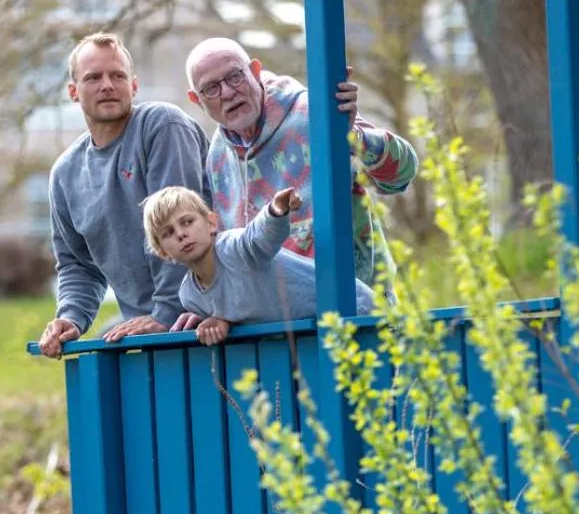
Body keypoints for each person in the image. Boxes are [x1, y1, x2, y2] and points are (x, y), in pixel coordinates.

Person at [177, 38, 418, 333]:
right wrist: (218, 310)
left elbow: (402, 176)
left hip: (358, 318)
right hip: (275, 336)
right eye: (211, 88)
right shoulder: (217, 156)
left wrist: (355, 136)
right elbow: (239, 259)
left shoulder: (313, 111)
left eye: (234, 76)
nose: (227, 92)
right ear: (196, 99)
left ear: (254, 70)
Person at [36, 32, 211, 359]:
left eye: (117, 75)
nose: (107, 85)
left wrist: (166, 313)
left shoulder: (161, 126)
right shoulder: (65, 173)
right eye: (93, 77)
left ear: (133, 85)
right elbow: (77, 264)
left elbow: (180, 227)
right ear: (73, 92)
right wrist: (71, 316)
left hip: (206, 323)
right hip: (146, 336)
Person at [141, 185, 375, 346]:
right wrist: (224, 321)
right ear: (163, 252)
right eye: (168, 233)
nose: (181, 234)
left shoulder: (234, 249)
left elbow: (258, 237)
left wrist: (275, 210)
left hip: (356, 310)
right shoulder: (190, 296)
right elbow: (242, 304)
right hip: (313, 335)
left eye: (187, 222)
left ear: (211, 222)